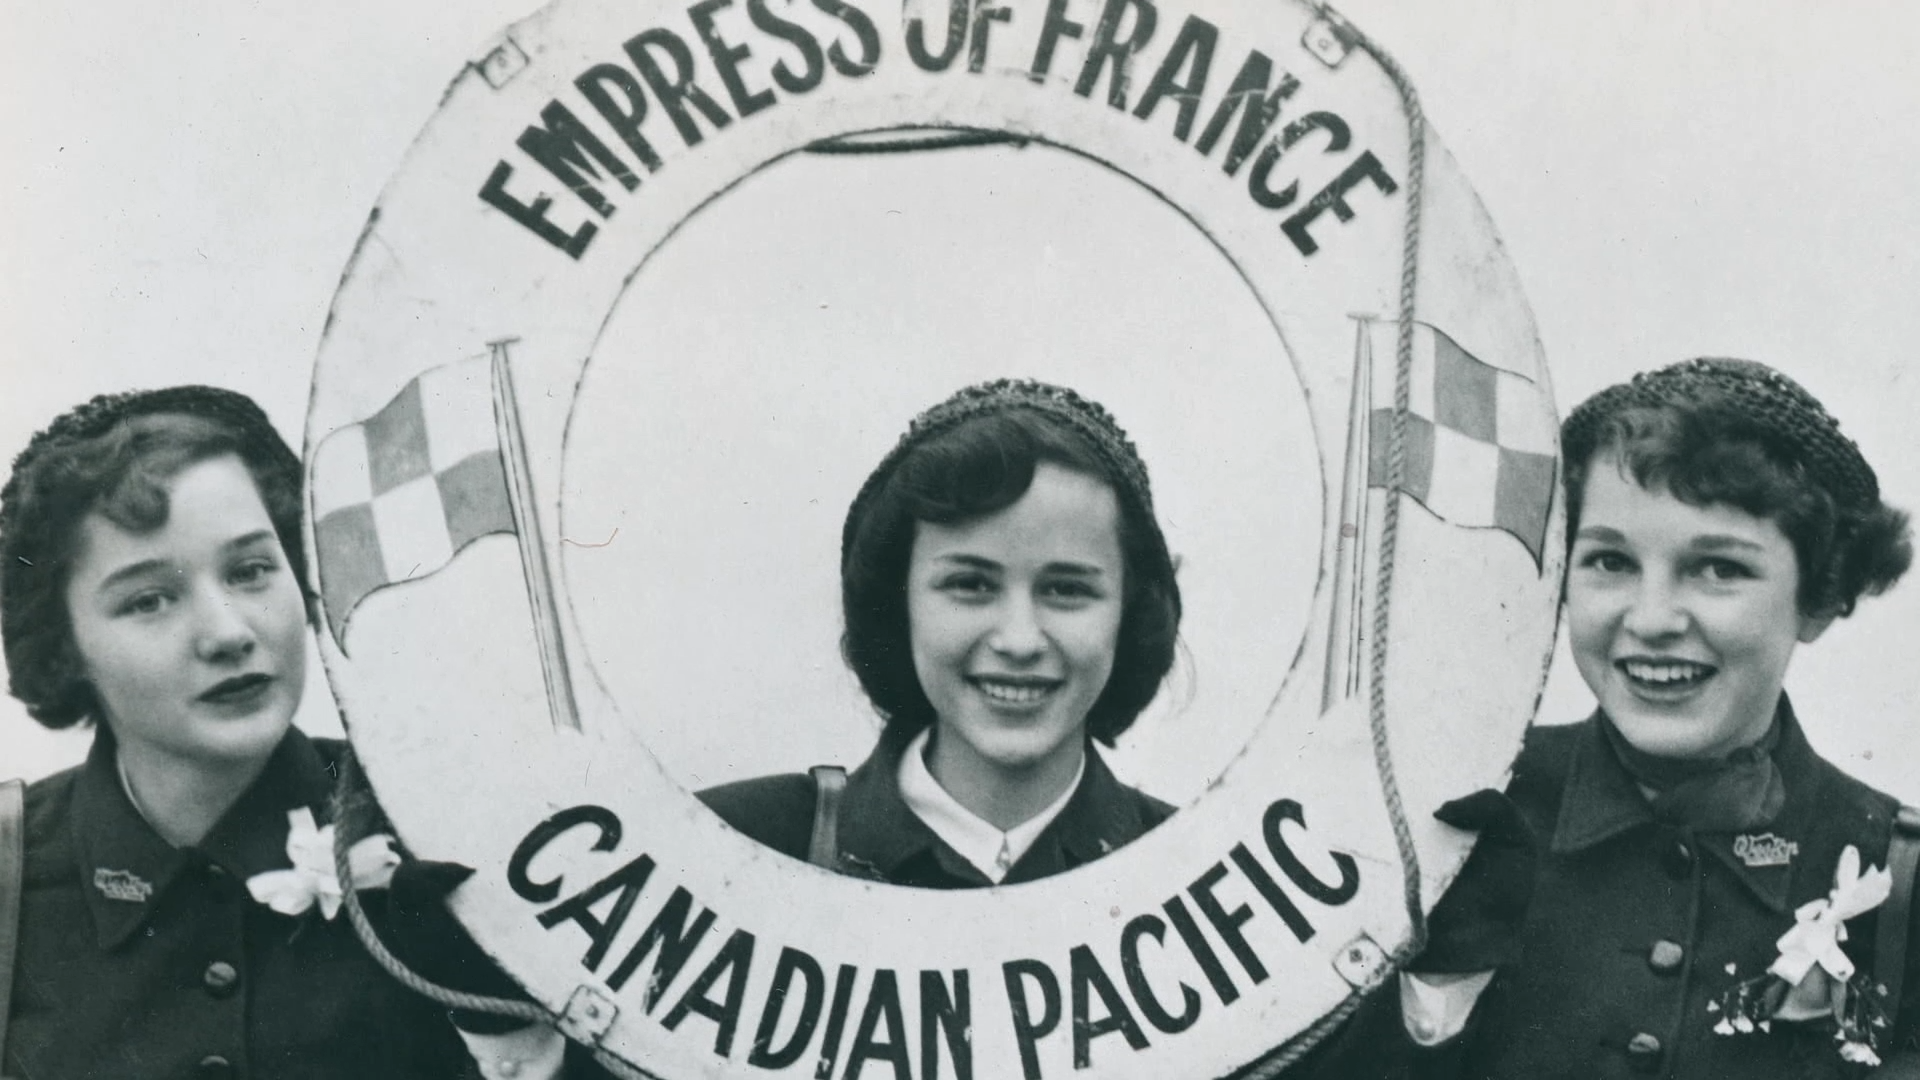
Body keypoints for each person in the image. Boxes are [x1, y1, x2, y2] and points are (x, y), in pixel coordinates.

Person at [0, 387, 580, 1080]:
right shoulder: (14, 874)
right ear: (63, 645)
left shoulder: (454, 838)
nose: (228, 633)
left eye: (250, 571)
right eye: (148, 599)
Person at [1422, 358, 1920, 1078]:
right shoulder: (1453, 820)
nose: (1652, 619)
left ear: (1821, 596)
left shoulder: (1900, 876)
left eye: (1719, 569)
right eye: (1609, 562)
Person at [700, 378, 1182, 887]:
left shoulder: (1192, 868)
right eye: (970, 584)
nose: (1019, 641)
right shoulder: (731, 845)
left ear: (1131, 610)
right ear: (899, 601)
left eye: (1065, 590)